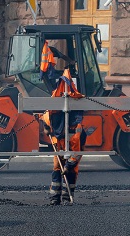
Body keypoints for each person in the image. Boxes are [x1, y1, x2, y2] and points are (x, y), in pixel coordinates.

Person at [43, 69, 87, 206]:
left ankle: (67, 197)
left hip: (72, 148)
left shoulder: (76, 131)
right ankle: (54, 198)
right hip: (59, 145)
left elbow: (76, 152)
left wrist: (68, 165)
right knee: (57, 167)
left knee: (71, 171)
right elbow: (45, 116)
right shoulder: (54, 114)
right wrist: (45, 126)